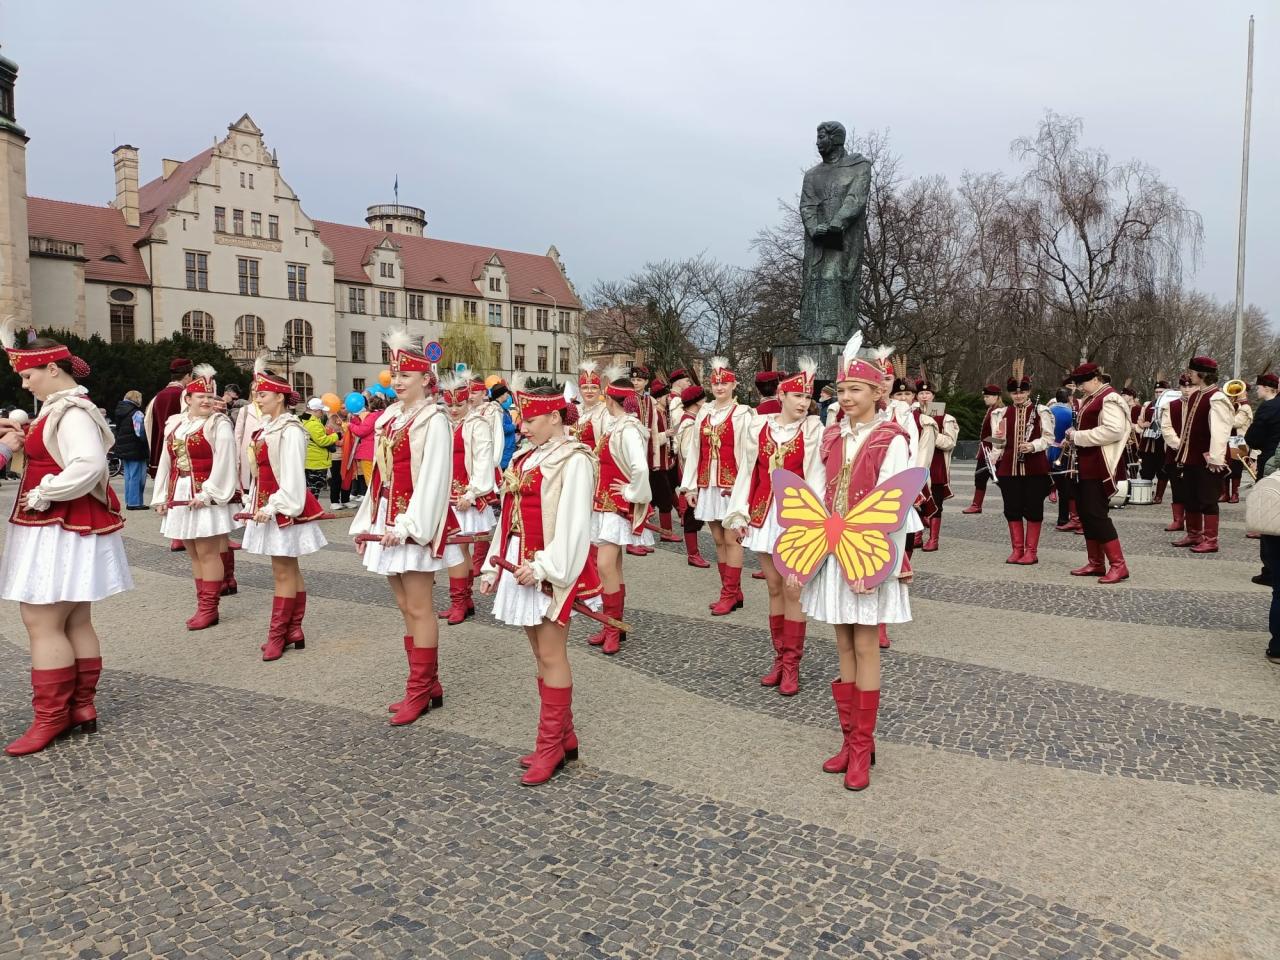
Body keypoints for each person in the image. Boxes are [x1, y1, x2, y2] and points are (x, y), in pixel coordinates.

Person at [0, 330, 133, 755]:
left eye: (28, 375)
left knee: (41, 620)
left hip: (58, 524)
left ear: (52, 368)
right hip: (63, 524)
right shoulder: (63, 408)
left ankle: (51, 716)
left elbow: (88, 464)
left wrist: (46, 491)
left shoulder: (71, 411)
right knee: (74, 619)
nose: (25, 384)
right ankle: (80, 707)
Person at [801, 339, 913, 793]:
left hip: (868, 554)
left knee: (866, 645)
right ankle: (849, 740)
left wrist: (875, 567)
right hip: (832, 552)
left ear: (877, 393)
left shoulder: (892, 439)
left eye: (856, 390)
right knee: (843, 644)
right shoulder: (830, 437)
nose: (846, 397)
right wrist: (806, 555)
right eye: (842, 390)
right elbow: (813, 497)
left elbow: (896, 508)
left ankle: (863, 747)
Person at [478, 385, 601, 786]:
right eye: (522, 420)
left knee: (551, 654)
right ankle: (563, 738)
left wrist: (546, 567)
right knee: (539, 653)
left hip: (548, 568)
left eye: (530, 420)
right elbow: (508, 515)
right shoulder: (525, 456)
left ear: (554, 417)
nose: (523, 427)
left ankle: (550, 746)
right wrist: (492, 566)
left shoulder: (575, 460)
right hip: (519, 561)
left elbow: (575, 525)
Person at [350, 331, 457, 725]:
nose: (396, 381)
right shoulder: (391, 418)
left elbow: (434, 478)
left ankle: (419, 690)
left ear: (426, 379)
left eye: (405, 376)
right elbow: (379, 477)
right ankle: (428, 684)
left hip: (413, 522)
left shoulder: (435, 421)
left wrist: (412, 524)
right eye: (394, 375)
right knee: (403, 605)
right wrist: (368, 522)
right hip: (388, 519)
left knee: (419, 606)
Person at [724, 362, 824, 694]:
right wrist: (739, 514)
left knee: (794, 589)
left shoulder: (813, 431)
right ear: (781, 395)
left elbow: (817, 479)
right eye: (797, 396)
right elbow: (748, 473)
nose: (803, 403)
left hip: (796, 520)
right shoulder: (759, 428)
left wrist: (814, 525)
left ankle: (792, 664)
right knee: (774, 588)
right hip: (763, 516)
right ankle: (779, 659)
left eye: (808, 397)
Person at [242, 361, 329, 662]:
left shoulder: (290, 430)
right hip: (269, 505)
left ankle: (278, 634)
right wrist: (253, 501)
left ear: (279, 397)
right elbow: (261, 472)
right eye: (256, 394)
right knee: (288, 569)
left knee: (283, 571)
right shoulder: (268, 427)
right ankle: (293, 630)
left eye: (262, 394)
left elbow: (292, 478)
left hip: (282, 507)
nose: (257, 399)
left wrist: (273, 506)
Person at [151, 364, 240, 630]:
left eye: (210, 397)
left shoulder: (218, 424)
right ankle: (202, 603)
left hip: (204, 495)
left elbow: (225, 462)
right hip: (180, 491)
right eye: (201, 396)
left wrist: (208, 492)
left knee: (207, 552)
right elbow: (166, 461)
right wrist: (161, 496)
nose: (207, 401)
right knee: (192, 552)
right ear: (187, 398)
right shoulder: (176, 424)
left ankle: (209, 608)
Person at [679, 357, 754, 615]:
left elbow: (749, 454)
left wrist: (744, 487)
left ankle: (729, 594)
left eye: (725, 383)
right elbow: (695, 450)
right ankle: (733, 591)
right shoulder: (705, 413)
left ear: (734, 385)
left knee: (733, 539)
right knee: (719, 539)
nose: (720, 387)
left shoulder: (744, 414)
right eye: (715, 383)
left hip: (732, 486)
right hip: (707, 484)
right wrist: (690, 487)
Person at [586, 375, 654, 655]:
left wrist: (629, 491)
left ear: (609, 399)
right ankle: (613, 624)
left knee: (604, 565)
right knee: (613, 566)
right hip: (605, 504)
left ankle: (613, 627)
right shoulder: (615, 425)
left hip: (616, 507)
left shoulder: (627, 429)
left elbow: (640, 467)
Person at [436, 374, 496, 626]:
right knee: (458, 549)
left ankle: (460, 602)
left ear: (468, 402)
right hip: (446, 495)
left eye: (459, 404)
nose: (453, 409)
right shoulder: (443, 424)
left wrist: (472, 494)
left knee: (456, 549)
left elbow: (484, 460)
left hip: (465, 496)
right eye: (449, 405)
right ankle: (464, 601)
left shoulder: (477, 424)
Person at [1063, 363, 1131, 583]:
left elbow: (1114, 431)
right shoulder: (1093, 397)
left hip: (1099, 465)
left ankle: (1119, 565)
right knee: (1086, 514)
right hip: (1085, 465)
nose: (1080, 388)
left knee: (1097, 515)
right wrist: (1073, 436)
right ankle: (1096, 563)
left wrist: (1078, 436)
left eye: (1082, 383)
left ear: (1095, 379)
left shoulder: (1109, 398)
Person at [1161, 356, 1231, 553]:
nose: (1189, 375)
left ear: (1202, 374)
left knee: (1208, 499)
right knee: (1190, 497)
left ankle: (1211, 540)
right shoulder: (1195, 396)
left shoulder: (1216, 398)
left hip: (1207, 459)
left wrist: (1216, 459)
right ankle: (1194, 534)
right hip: (1190, 457)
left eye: (1192, 372)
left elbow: (1220, 431)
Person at [990, 371, 1054, 564]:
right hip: (1008, 468)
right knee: (1011, 508)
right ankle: (1017, 549)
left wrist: (1033, 445)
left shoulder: (1041, 411)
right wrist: (993, 457)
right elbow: (998, 441)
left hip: (1035, 468)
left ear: (1028, 392)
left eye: (1022, 392)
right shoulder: (1001, 413)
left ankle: (1031, 552)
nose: (1018, 395)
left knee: (1034, 508)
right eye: (1014, 392)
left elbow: (1049, 438)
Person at [1244, 373, 1280, 586]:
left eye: (1259, 387)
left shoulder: (1269, 407)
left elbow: (1252, 438)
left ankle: (1270, 570)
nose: (1257, 390)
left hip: (1271, 465)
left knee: (1270, 517)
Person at [914, 378, 957, 551]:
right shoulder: (911, 415)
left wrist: (931, 433)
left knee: (936, 503)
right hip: (916, 464)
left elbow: (950, 442)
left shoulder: (946, 418)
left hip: (936, 466)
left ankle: (933, 539)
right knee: (917, 501)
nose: (924, 396)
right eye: (921, 393)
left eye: (928, 393)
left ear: (933, 396)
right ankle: (917, 536)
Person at [674, 383, 711, 568]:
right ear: (697, 402)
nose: (707, 401)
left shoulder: (692, 420)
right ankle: (693, 554)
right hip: (693, 478)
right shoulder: (690, 423)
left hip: (695, 476)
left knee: (695, 514)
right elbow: (689, 453)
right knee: (692, 515)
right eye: (704, 399)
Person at [1159, 375, 1195, 533]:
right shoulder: (1170, 405)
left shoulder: (1202, 404)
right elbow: (1166, 428)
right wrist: (1179, 445)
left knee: (1194, 489)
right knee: (1177, 487)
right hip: (1175, 452)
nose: (1187, 389)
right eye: (1184, 386)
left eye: (1190, 386)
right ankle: (1178, 520)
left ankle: (1194, 523)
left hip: (1196, 453)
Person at [962, 384, 1003, 514]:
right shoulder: (991, 409)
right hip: (985, 450)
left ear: (996, 397)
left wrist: (992, 449)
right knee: (980, 477)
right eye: (985, 396)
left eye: (987, 396)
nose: (985, 399)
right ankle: (976, 504)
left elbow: (999, 436)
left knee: (1001, 480)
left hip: (992, 451)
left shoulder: (998, 411)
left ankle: (1015, 501)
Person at [112, 389, 150, 510]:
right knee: (137, 476)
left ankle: (130, 501)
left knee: (128, 476)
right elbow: (140, 433)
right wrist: (147, 441)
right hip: (136, 448)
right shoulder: (137, 413)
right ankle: (135, 503)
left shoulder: (120, 411)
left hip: (124, 447)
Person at [1049, 387, 1080, 530]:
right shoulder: (1070, 413)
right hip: (1064, 452)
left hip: (1050, 450)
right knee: (1065, 488)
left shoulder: (1049, 411)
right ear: (1069, 398)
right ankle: (1062, 519)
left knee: (1053, 482)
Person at [1136, 380, 1172, 502]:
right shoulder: (1147, 405)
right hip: (1148, 443)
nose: (1158, 394)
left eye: (1161, 392)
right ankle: (1146, 494)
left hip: (1163, 443)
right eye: (1156, 392)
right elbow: (1140, 420)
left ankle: (1159, 496)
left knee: (1163, 471)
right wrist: (1143, 424)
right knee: (1146, 470)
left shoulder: (1171, 404)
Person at [300, 398, 338, 498]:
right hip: (316, 462)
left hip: (311, 461)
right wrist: (336, 436)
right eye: (321, 410)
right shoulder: (313, 424)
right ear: (316, 410)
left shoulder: (304, 419)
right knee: (314, 491)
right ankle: (312, 508)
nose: (323, 413)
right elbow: (322, 441)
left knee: (310, 491)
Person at [1225, 388, 1254, 504]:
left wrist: (1225, 413)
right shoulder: (1232, 404)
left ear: (1245, 392)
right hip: (1227, 438)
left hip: (1238, 439)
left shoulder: (1245, 407)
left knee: (1236, 467)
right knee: (1226, 465)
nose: (1235, 393)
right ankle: (1225, 493)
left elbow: (1236, 423)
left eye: (1239, 391)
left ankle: (1235, 494)